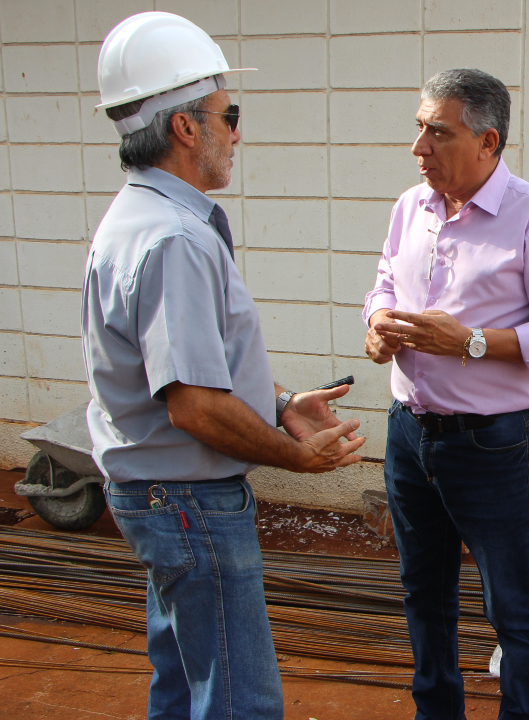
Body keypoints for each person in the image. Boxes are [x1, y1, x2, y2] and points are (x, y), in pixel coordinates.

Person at [83, 13, 365, 719]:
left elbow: (198, 373)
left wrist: (279, 402)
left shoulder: (138, 217)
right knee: (240, 700)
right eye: (226, 115)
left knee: (185, 685)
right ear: (184, 128)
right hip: (189, 506)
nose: (236, 132)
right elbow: (195, 407)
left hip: (161, 502)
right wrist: (293, 457)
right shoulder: (175, 237)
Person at [362, 68, 529, 720]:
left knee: (510, 605)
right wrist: (377, 327)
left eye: (439, 133)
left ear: (488, 142)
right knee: (423, 594)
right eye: (419, 129)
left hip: (489, 444)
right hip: (409, 433)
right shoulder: (411, 208)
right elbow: (385, 281)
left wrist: (469, 342)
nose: (420, 148)